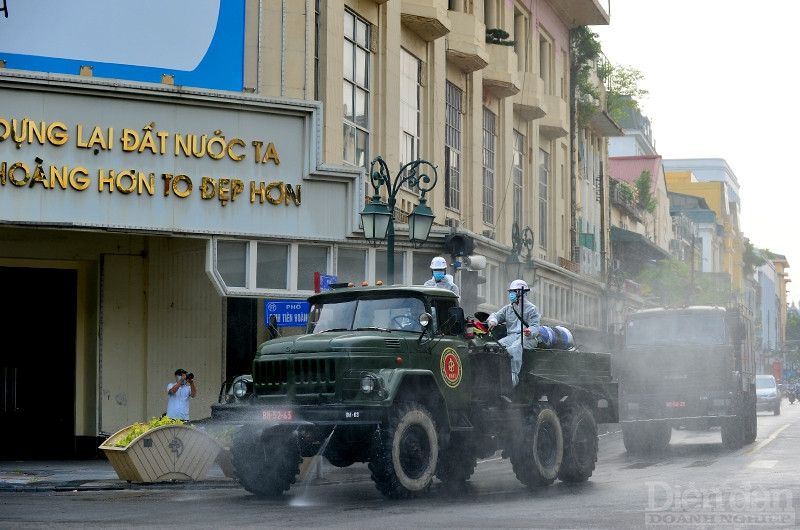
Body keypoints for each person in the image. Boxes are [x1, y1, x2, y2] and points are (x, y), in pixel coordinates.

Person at [486, 279, 541, 387]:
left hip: (527, 338)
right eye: (510, 291)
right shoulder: (508, 308)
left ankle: (512, 378)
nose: (511, 294)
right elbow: (496, 316)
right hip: (512, 336)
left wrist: (529, 332)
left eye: (514, 291)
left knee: (515, 348)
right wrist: (493, 321)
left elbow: (535, 327)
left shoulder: (532, 309)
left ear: (522, 293)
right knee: (497, 346)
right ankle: (495, 375)